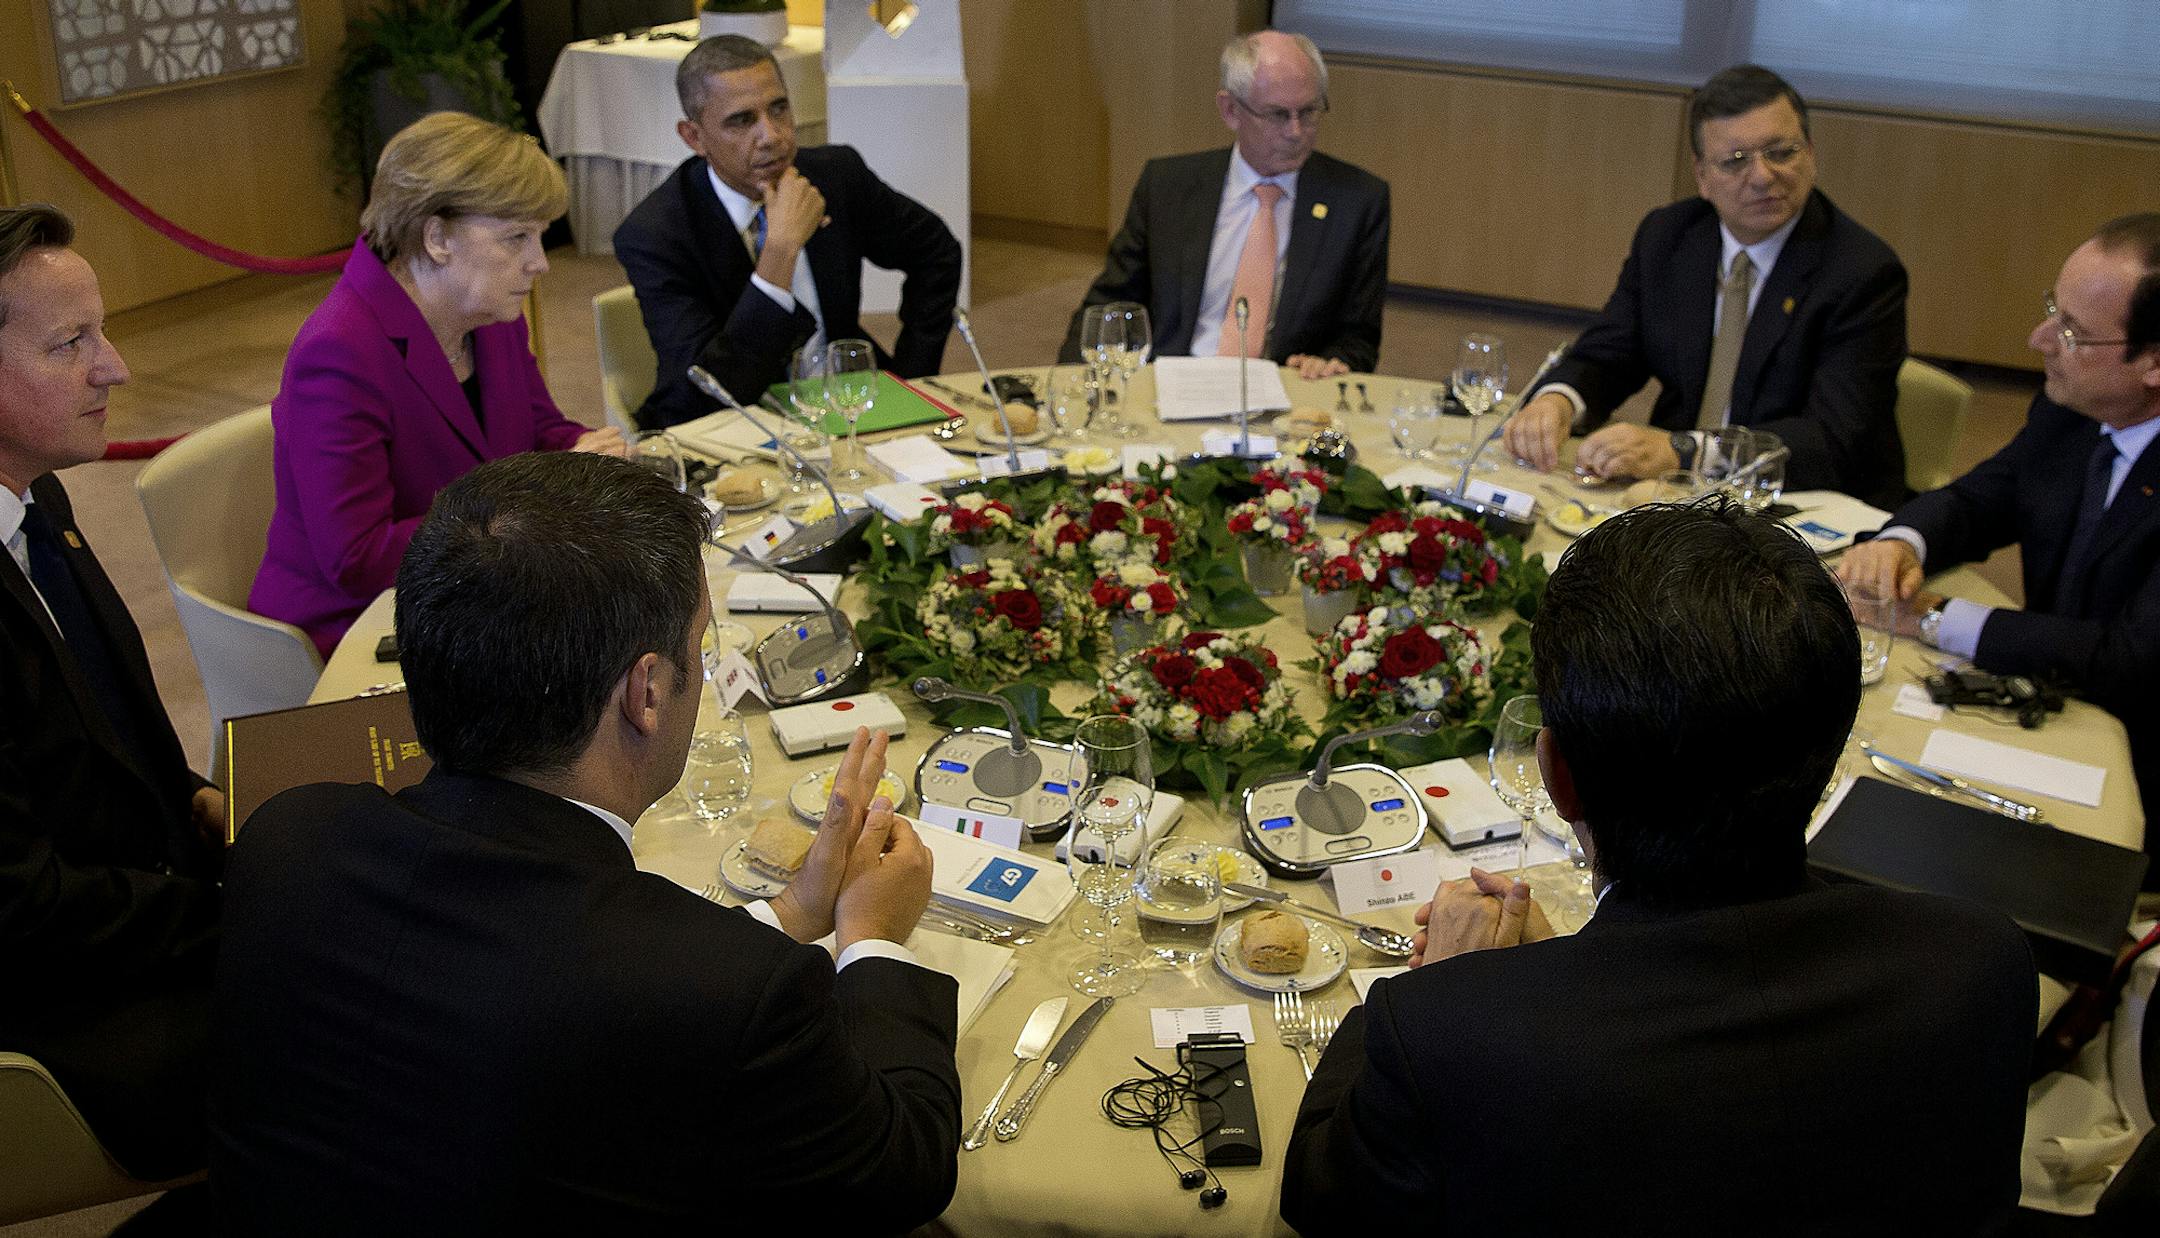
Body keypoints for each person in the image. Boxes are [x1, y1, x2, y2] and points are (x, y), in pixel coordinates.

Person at [209, 452, 959, 1232]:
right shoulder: (725, 992)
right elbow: (903, 1170)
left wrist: (793, 912)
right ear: (645, 693)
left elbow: (560, 987)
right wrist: (873, 940)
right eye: (697, 649)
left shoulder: (286, 840)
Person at [1281, 500, 2037, 1234]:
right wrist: (1548, 981)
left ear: (1558, 776)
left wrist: (1448, 985)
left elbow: (1323, 1195)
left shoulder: (1450, 1038)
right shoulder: (1979, 964)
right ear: (1830, 760)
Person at [0, 203, 222, 1181]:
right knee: (371, 1029)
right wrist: (227, 909)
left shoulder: (39, 495)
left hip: (136, 904)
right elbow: (19, 907)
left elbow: (104, 723)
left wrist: (191, 796)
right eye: (72, 343)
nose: (116, 366)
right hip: (55, 1000)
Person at [1839, 213, 2160, 863]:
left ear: (2153, 362)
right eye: (2052, 309)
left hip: (2138, 777)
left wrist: (1932, 619)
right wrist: (1902, 543)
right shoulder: (2071, 411)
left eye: (2073, 332)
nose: (2039, 338)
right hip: (2046, 701)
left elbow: (2130, 660)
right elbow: (1987, 495)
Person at [249, 112, 624, 659]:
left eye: (539, 237)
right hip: (362, 631)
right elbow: (357, 559)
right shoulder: (339, 353)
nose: (540, 263)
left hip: (478, 597)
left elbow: (540, 429)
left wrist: (584, 454)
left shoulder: (489, 314)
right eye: (516, 237)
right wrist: (532, 507)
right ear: (437, 236)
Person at [1501, 64, 1908, 509]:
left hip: (1804, 503)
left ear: (1810, 153)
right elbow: (1612, 351)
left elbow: (1833, 439)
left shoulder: (1861, 271)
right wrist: (1559, 401)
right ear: (1702, 176)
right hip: (1682, 493)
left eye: (1781, 152)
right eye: (1735, 161)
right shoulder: (1670, 236)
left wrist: (1688, 451)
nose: (1762, 176)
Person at [616, 34, 963, 428]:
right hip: (733, 425)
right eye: (742, 120)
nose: (772, 136)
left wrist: (912, 375)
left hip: (847, 404)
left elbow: (937, 251)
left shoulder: (835, 176)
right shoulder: (656, 234)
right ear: (694, 137)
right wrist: (779, 251)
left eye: (778, 109)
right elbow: (709, 391)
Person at [1058, 30, 1389, 380]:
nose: (1296, 132)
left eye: (1308, 112)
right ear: (1230, 110)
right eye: (1278, 114)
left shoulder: (1358, 201)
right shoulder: (1167, 186)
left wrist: (1331, 361)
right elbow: (1109, 306)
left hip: (1283, 394)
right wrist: (1069, 383)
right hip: (1171, 382)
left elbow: (1358, 338)